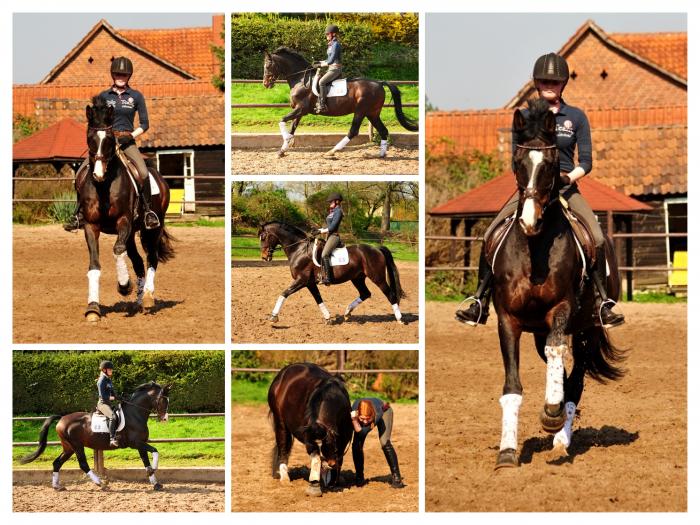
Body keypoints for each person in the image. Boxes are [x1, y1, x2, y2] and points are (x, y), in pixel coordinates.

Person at [455, 52, 625, 330]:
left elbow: (587, 162)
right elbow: (516, 159)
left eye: (555, 82)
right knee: (489, 234)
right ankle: (479, 301)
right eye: (544, 80)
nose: (549, 85)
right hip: (530, 189)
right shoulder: (522, 116)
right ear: (536, 83)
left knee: (596, 237)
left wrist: (568, 178)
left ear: (563, 85)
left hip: (566, 189)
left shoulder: (576, 117)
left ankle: (601, 302)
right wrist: (530, 184)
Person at [64, 56, 160, 231]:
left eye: (123, 74)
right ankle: (78, 214)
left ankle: (148, 211)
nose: (120, 77)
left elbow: (145, 124)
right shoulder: (103, 96)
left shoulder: (136, 96)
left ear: (129, 76)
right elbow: (95, 121)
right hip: (105, 141)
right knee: (80, 173)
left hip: (127, 141)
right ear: (112, 74)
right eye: (117, 74)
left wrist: (130, 136)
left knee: (144, 173)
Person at [351, 398, 404, 489]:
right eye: (362, 419)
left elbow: (363, 432)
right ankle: (359, 477)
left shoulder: (377, 413)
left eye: (368, 419)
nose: (365, 422)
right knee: (356, 445)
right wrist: (353, 420)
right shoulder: (353, 411)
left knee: (384, 442)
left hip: (384, 411)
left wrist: (355, 421)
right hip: (361, 415)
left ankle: (397, 477)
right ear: (357, 413)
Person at [312, 192, 344, 285]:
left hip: (334, 236)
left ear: (337, 202)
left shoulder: (338, 211)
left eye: (331, 201)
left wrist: (320, 232)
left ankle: (328, 279)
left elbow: (333, 227)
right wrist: (317, 230)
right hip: (328, 236)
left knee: (324, 254)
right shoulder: (332, 212)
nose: (330, 203)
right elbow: (327, 226)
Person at [312, 24, 342, 114]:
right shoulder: (331, 45)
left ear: (333, 34)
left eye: (327, 34)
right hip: (331, 68)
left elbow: (331, 60)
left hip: (335, 69)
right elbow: (328, 59)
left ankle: (322, 104)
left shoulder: (336, 45)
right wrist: (319, 62)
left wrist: (321, 65)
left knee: (321, 82)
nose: (326, 36)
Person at [96, 360, 119, 447]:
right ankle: (112, 439)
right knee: (112, 417)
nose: (111, 371)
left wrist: (119, 397)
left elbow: (112, 392)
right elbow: (103, 396)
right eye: (110, 369)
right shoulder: (101, 380)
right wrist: (114, 398)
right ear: (104, 370)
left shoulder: (108, 379)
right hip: (102, 404)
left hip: (108, 403)